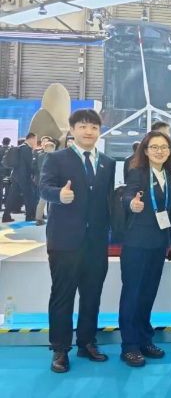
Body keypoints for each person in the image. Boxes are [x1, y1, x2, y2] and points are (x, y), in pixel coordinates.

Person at [38, 109, 116, 373]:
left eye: (93, 127)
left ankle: (87, 342)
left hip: (97, 241)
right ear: (72, 130)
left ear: (99, 131)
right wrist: (58, 195)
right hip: (65, 240)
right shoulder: (56, 158)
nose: (88, 131)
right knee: (63, 296)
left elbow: (107, 200)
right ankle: (60, 348)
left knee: (92, 295)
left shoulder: (107, 163)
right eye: (83, 126)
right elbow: (43, 187)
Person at [118, 131, 171, 367]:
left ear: (169, 151)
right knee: (132, 295)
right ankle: (129, 346)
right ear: (145, 150)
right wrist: (132, 203)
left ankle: (144, 340)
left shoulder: (169, 176)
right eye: (154, 147)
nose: (159, 151)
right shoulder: (138, 172)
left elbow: (169, 211)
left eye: (164, 147)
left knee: (147, 295)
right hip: (137, 243)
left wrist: (169, 241)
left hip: (158, 244)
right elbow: (128, 195)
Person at [3, 132, 37, 223]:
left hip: (15, 174)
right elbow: (29, 164)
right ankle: (29, 216)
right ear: (31, 138)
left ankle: (6, 216)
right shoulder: (27, 148)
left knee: (12, 196)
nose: (35, 141)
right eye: (35, 139)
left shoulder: (20, 147)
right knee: (28, 195)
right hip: (24, 176)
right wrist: (33, 173)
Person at [35, 141, 56, 226]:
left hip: (42, 180)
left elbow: (38, 168)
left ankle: (38, 219)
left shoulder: (40, 156)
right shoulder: (55, 156)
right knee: (53, 200)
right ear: (53, 148)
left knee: (42, 200)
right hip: (53, 180)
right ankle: (52, 218)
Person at [0, 137, 11, 211]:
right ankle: (7, 206)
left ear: (2, 142)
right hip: (8, 172)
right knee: (8, 190)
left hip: (0, 171)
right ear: (9, 142)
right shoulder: (10, 150)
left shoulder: (0, 149)